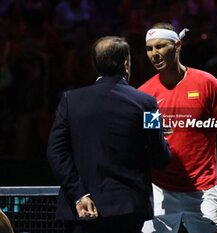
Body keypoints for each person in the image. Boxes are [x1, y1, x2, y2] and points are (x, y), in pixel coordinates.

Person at [46, 36, 172, 233]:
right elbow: (160, 157)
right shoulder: (148, 104)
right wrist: (164, 141)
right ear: (126, 64)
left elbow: (56, 153)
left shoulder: (70, 101)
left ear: (95, 64)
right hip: (128, 209)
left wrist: (80, 195)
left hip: (83, 209)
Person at [138, 22, 217, 233]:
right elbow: (146, 144)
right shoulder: (145, 95)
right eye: (149, 48)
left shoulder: (208, 84)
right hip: (159, 192)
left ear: (177, 46)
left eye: (160, 46)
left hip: (203, 191)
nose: (154, 54)